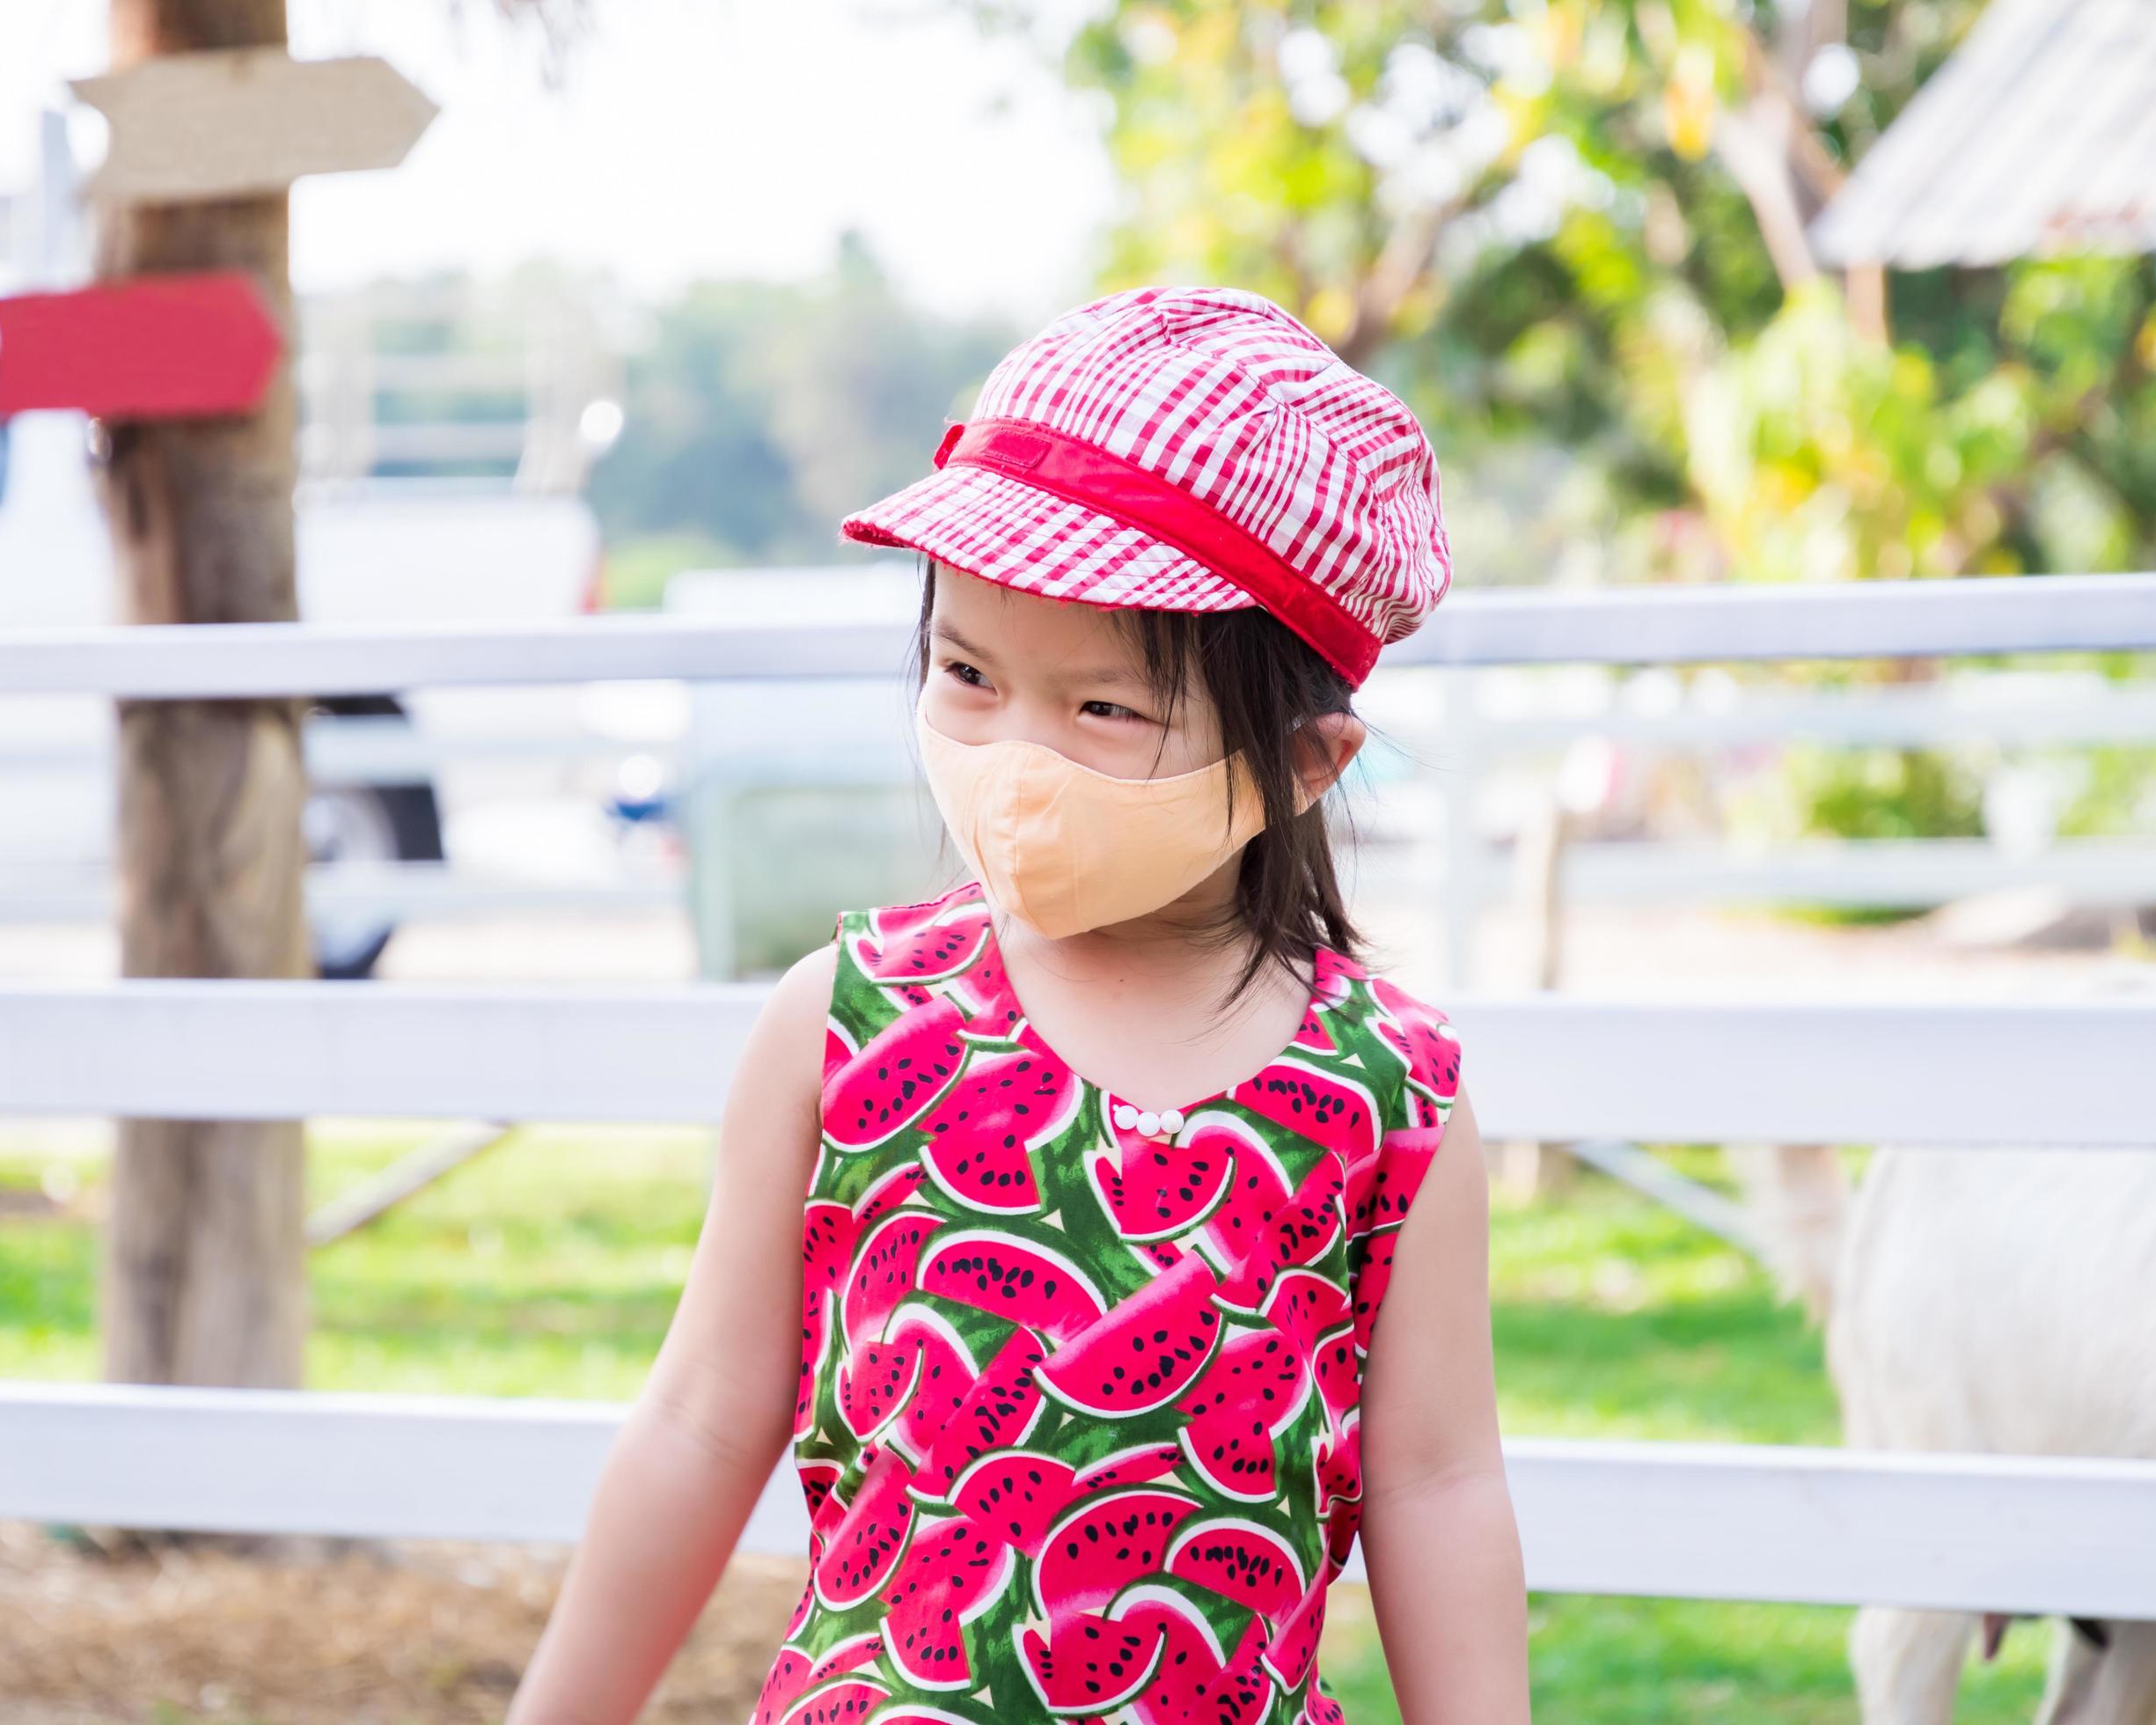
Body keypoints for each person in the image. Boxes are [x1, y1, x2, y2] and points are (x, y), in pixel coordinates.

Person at [509, 285, 1528, 1725]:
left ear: (1306, 761)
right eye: (968, 676)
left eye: (1104, 709)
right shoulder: (840, 1023)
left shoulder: (1391, 1099)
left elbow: (1437, 1484)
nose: (1013, 759)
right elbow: (698, 1419)